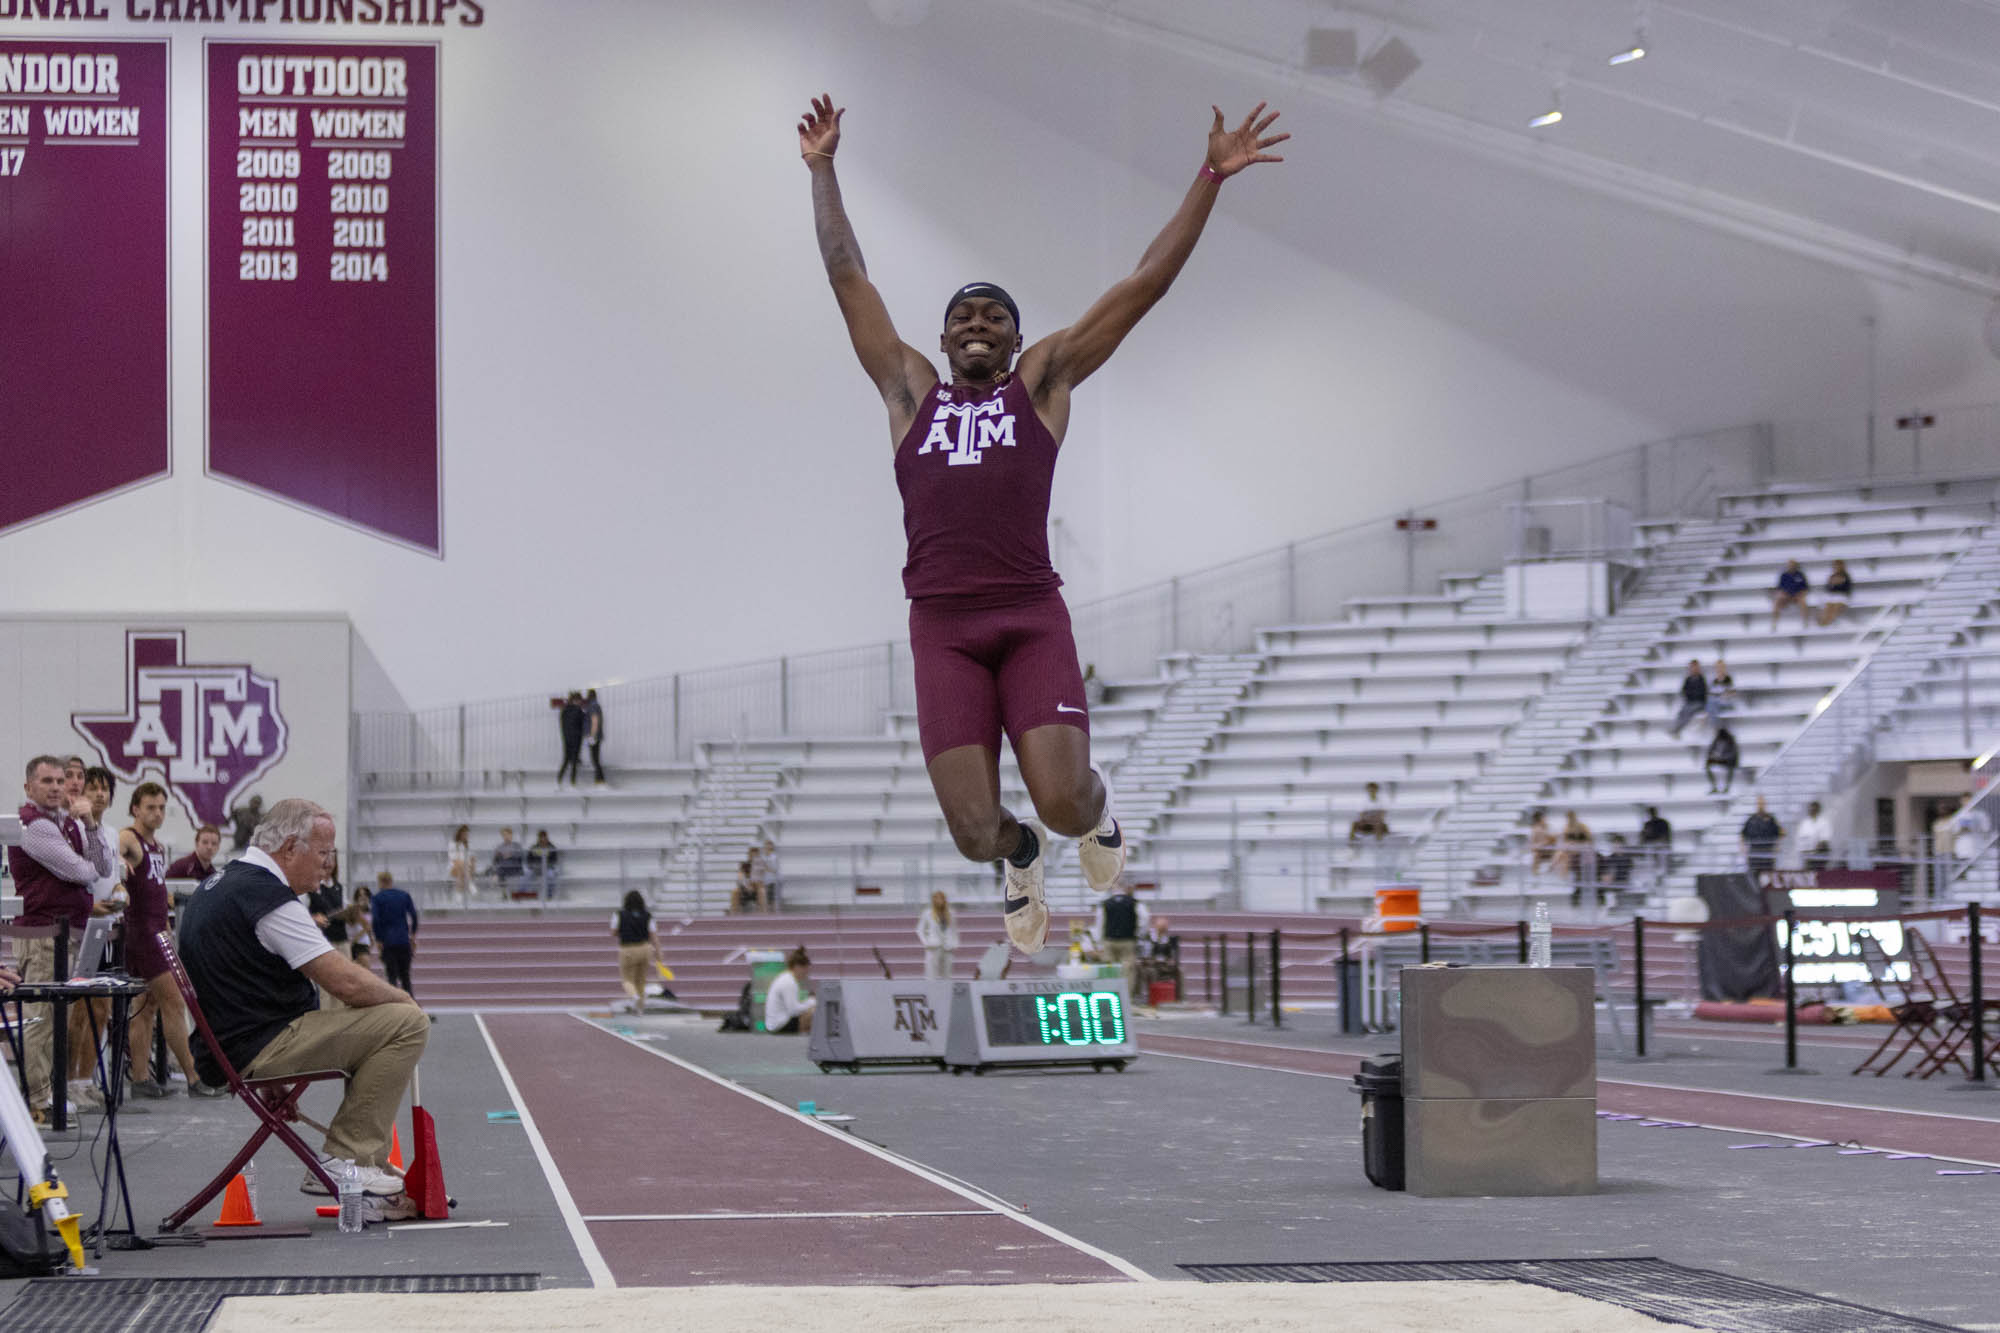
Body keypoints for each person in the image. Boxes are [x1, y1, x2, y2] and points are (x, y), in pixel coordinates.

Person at [796, 94, 1286, 954]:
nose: (976, 323)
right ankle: (1020, 858)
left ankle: (1093, 826)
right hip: (942, 628)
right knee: (976, 832)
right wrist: (824, 168)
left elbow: (1145, 286)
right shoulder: (910, 392)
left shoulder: (1043, 384)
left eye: (994, 316)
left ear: (1019, 336)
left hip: (1027, 616)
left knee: (1064, 800)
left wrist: (1211, 175)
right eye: (962, 316)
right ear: (944, 341)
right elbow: (847, 278)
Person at [178, 799, 427, 1199]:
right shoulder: (267, 897)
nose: (328, 865)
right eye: (324, 853)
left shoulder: (221, 884)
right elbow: (345, 983)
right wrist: (406, 1000)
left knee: (381, 1019)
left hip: (231, 1044)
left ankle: (353, 1158)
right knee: (405, 1023)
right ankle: (351, 1161)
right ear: (291, 848)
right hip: (256, 1044)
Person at [7, 755, 117, 1121]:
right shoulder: (34, 826)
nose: (57, 787)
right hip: (41, 934)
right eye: (48, 781)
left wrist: (88, 822)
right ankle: (35, 1102)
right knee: (39, 1019)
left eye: (61, 781)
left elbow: (102, 868)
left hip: (66, 933)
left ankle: (45, 1095)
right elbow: (80, 872)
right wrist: (86, 865)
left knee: (57, 1020)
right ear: (29, 787)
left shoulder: (68, 823)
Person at [118, 783, 222, 1099]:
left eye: (162, 807)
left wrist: (167, 933)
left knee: (146, 1006)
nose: (157, 813)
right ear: (135, 809)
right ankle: (192, 1076)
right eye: (150, 807)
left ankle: (139, 1078)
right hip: (140, 935)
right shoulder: (128, 839)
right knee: (175, 1002)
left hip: (156, 933)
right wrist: (116, 868)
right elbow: (116, 854)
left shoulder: (157, 847)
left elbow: (159, 895)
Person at [370, 870, 420, 1004]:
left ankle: (395, 1010)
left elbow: (375, 919)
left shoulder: (377, 898)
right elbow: (414, 916)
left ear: (380, 882)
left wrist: (379, 939)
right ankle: (412, 1008)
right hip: (403, 940)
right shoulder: (403, 895)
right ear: (391, 881)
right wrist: (413, 935)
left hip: (388, 941)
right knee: (405, 977)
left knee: (391, 977)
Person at [1096, 882, 1148, 997]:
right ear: (1126, 889)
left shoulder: (1105, 904)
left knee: (1109, 969)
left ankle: (1109, 996)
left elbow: (1100, 923)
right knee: (1127, 971)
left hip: (1109, 940)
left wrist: (1099, 941)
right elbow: (1144, 919)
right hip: (1127, 940)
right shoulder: (1135, 903)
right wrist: (1138, 934)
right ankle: (1126, 998)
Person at [611, 890, 657, 1014]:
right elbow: (653, 934)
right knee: (641, 980)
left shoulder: (619, 914)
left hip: (628, 948)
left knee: (627, 979)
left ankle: (634, 996)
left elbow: (613, 932)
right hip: (645, 948)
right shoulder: (648, 915)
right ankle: (640, 1009)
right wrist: (659, 951)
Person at [764, 947, 815, 1034]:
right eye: (805, 970)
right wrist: (812, 1002)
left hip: (775, 1023)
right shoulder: (789, 982)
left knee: (811, 1008)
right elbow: (794, 1010)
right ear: (797, 967)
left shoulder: (786, 977)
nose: (806, 973)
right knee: (813, 1011)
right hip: (779, 1026)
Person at [309, 851, 349, 951]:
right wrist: (313, 918)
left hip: (342, 939)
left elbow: (345, 908)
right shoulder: (311, 886)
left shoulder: (338, 887)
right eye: (326, 859)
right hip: (322, 940)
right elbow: (301, 912)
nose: (329, 863)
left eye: (332, 859)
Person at [916, 890, 958, 979]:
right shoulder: (927, 913)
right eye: (937, 898)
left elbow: (954, 929)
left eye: (942, 898)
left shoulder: (951, 913)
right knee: (931, 974)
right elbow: (919, 930)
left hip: (947, 947)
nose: (939, 901)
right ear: (933, 900)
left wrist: (954, 943)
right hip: (933, 946)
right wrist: (925, 943)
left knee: (947, 974)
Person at [1741, 796, 1783, 878]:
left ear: (1765, 805)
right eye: (1759, 803)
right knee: (1754, 875)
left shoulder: (1771, 819)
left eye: (1762, 803)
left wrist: (1777, 846)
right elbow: (1743, 834)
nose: (1761, 805)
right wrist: (1743, 848)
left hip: (1768, 852)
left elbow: (1780, 833)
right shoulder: (1751, 819)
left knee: (1768, 875)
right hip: (1754, 852)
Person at [1666, 659, 1707, 738]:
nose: (1693, 669)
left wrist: (1694, 695)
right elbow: (1684, 691)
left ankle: (1677, 729)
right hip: (1690, 702)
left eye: (1695, 667)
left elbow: (1703, 693)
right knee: (1682, 711)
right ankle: (1676, 728)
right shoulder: (1688, 679)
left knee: (1688, 710)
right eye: (1692, 667)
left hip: (1699, 703)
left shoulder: (1701, 679)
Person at [1556, 810, 1595, 891]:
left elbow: (1589, 838)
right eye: (1568, 818)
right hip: (1572, 848)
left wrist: (1577, 843)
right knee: (1563, 855)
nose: (1570, 820)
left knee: (1563, 852)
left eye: (1571, 818)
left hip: (1582, 847)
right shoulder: (1566, 827)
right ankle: (1563, 875)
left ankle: (1557, 869)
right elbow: (1565, 839)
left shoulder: (1582, 826)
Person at [556, 691, 587, 789]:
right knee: (574, 761)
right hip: (576, 739)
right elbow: (583, 725)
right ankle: (572, 782)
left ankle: (559, 779)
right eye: (580, 700)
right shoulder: (579, 711)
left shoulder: (564, 711)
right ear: (576, 700)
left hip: (566, 738)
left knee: (565, 760)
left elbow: (562, 725)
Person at [1772, 559, 1810, 629]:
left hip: (1797, 596)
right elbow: (1779, 588)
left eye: (1793, 565)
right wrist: (1783, 594)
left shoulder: (1800, 575)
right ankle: (1774, 622)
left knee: (1803, 602)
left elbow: (1806, 588)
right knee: (1777, 601)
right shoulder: (1784, 575)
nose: (1791, 566)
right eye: (1790, 565)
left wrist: (1801, 593)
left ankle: (1805, 621)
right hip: (1786, 596)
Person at [1795, 800, 1833, 871]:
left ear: (1818, 810)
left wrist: (1815, 850)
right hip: (1807, 855)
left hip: (1820, 855)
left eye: (1814, 808)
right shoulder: (1804, 823)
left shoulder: (1824, 822)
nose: (1812, 810)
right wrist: (1805, 851)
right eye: (1811, 808)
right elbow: (1800, 839)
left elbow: (1825, 839)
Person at [1638, 806, 1673, 880]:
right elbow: (1643, 838)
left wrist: (1666, 845)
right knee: (1650, 853)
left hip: (1661, 845)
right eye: (1650, 814)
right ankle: (1655, 873)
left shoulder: (1663, 822)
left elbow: (1666, 836)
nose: (1651, 815)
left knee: (1661, 854)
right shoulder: (1647, 824)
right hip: (1651, 846)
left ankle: (1661, 873)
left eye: (1652, 813)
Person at [526, 829, 561, 900]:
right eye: (541, 837)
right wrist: (531, 867)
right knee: (526, 875)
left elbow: (555, 860)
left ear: (546, 837)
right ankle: (530, 896)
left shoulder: (551, 847)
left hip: (548, 868)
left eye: (544, 837)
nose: (542, 839)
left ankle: (549, 895)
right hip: (536, 869)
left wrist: (549, 866)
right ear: (538, 838)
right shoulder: (534, 847)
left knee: (551, 876)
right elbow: (528, 859)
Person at [1818, 559, 1853, 627]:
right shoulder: (1832, 576)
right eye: (1835, 566)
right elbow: (1828, 588)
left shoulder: (1846, 576)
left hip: (1842, 596)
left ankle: (1829, 622)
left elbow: (1847, 588)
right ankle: (1823, 621)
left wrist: (1838, 583)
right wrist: (1833, 583)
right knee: (1828, 606)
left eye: (1838, 565)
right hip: (1832, 596)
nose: (1836, 567)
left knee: (1836, 607)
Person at [491, 827, 525, 898]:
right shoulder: (500, 847)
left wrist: (511, 855)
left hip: (514, 868)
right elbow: (495, 860)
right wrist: (499, 855)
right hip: (504, 868)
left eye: (507, 835)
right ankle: (504, 892)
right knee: (498, 869)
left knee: (502, 869)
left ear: (511, 835)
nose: (506, 837)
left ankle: (507, 893)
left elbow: (521, 856)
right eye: (504, 835)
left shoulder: (516, 846)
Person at [1705, 727, 1740, 795]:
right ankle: (1714, 786)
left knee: (1730, 770)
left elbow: (1733, 754)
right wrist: (1713, 757)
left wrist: (1722, 758)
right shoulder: (1716, 741)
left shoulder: (1730, 741)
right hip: (1718, 760)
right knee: (1707, 767)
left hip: (1729, 761)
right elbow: (1710, 752)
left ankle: (1727, 787)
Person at [446, 823, 474, 905]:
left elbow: (470, 859)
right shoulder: (452, 844)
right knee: (459, 867)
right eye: (465, 834)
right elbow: (453, 859)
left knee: (460, 872)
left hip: (463, 869)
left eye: (467, 834)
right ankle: (470, 884)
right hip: (453, 867)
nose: (466, 836)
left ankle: (458, 895)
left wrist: (470, 863)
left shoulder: (467, 845)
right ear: (460, 834)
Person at [584, 688, 607, 787]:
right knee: (596, 759)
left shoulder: (592, 706)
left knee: (595, 759)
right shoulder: (596, 705)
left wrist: (592, 736)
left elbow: (594, 720)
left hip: (594, 737)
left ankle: (600, 779)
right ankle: (599, 779)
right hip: (597, 736)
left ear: (590, 696)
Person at [1705, 658, 1737, 722]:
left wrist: (1726, 694)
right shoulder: (1713, 680)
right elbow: (1711, 693)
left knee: (1711, 705)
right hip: (1717, 702)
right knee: (1712, 704)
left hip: (1727, 702)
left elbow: (1733, 693)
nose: (1720, 669)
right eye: (1718, 667)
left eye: (1721, 667)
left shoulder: (1728, 679)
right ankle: (1718, 727)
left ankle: (1707, 719)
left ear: (1724, 668)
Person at [1527, 809, 1556, 874]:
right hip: (1541, 851)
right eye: (1544, 818)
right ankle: (1536, 872)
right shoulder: (1535, 829)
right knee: (1536, 854)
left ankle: (1548, 867)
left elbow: (1552, 840)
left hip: (1548, 850)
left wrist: (1547, 841)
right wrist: (1543, 844)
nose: (1545, 819)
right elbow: (1532, 845)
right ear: (1540, 819)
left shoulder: (1546, 827)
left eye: (1545, 818)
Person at [758, 837, 782, 909]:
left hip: (773, 877)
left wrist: (766, 868)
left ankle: (772, 905)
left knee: (771, 889)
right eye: (767, 845)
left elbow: (775, 869)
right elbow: (761, 867)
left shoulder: (774, 856)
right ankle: (765, 905)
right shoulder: (762, 856)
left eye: (769, 845)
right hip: (764, 877)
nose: (768, 846)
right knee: (764, 889)